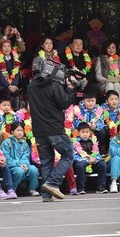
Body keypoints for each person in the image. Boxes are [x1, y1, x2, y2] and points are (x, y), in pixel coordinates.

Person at [27, 56, 77, 202]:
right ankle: (52, 183)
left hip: (39, 131)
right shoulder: (54, 86)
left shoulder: (31, 86)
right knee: (68, 155)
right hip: (54, 129)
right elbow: (65, 103)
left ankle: (46, 195)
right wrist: (70, 89)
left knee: (47, 162)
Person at [1, 122, 40, 196]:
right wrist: (19, 165)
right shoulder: (6, 143)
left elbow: (26, 156)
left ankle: (32, 189)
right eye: (18, 130)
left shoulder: (24, 143)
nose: (20, 132)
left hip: (23, 165)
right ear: (12, 131)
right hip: (11, 166)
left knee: (33, 169)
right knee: (19, 171)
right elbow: (7, 158)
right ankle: (11, 189)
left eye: (21, 131)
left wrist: (24, 164)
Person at [72, 122, 108, 194]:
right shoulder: (74, 142)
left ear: (90, 132)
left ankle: (101, 186)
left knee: (102, 164)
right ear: (78, 133)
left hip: (93, 161)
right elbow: (74, 156)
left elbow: (97, 153)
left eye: (87, 132)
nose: (85, 134)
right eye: (83, 132)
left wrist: (94, 159)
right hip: (81, 162)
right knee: (80, 165)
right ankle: (80, 188)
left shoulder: (93, 141)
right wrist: (87, 160)